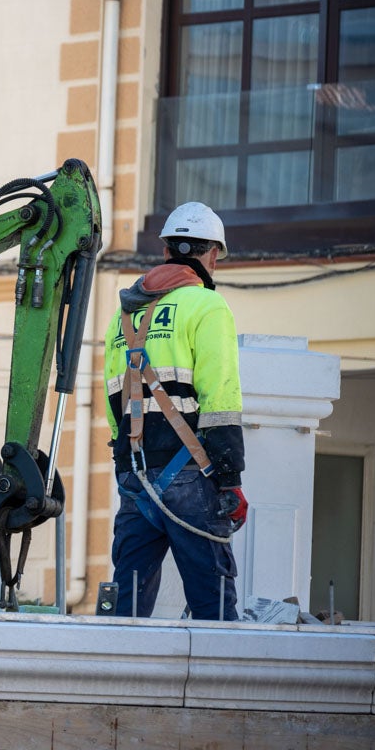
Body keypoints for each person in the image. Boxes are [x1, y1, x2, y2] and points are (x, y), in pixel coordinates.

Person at [104, 201, 249, 620]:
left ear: (167, 251)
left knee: (125, 608)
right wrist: (230, 480)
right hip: (191, 478)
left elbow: (112, 400)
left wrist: (126, 469)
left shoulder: (123, 317)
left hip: (136, 479)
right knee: (213, 607)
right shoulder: (207, 307)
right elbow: (220, 397)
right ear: (213, 255)